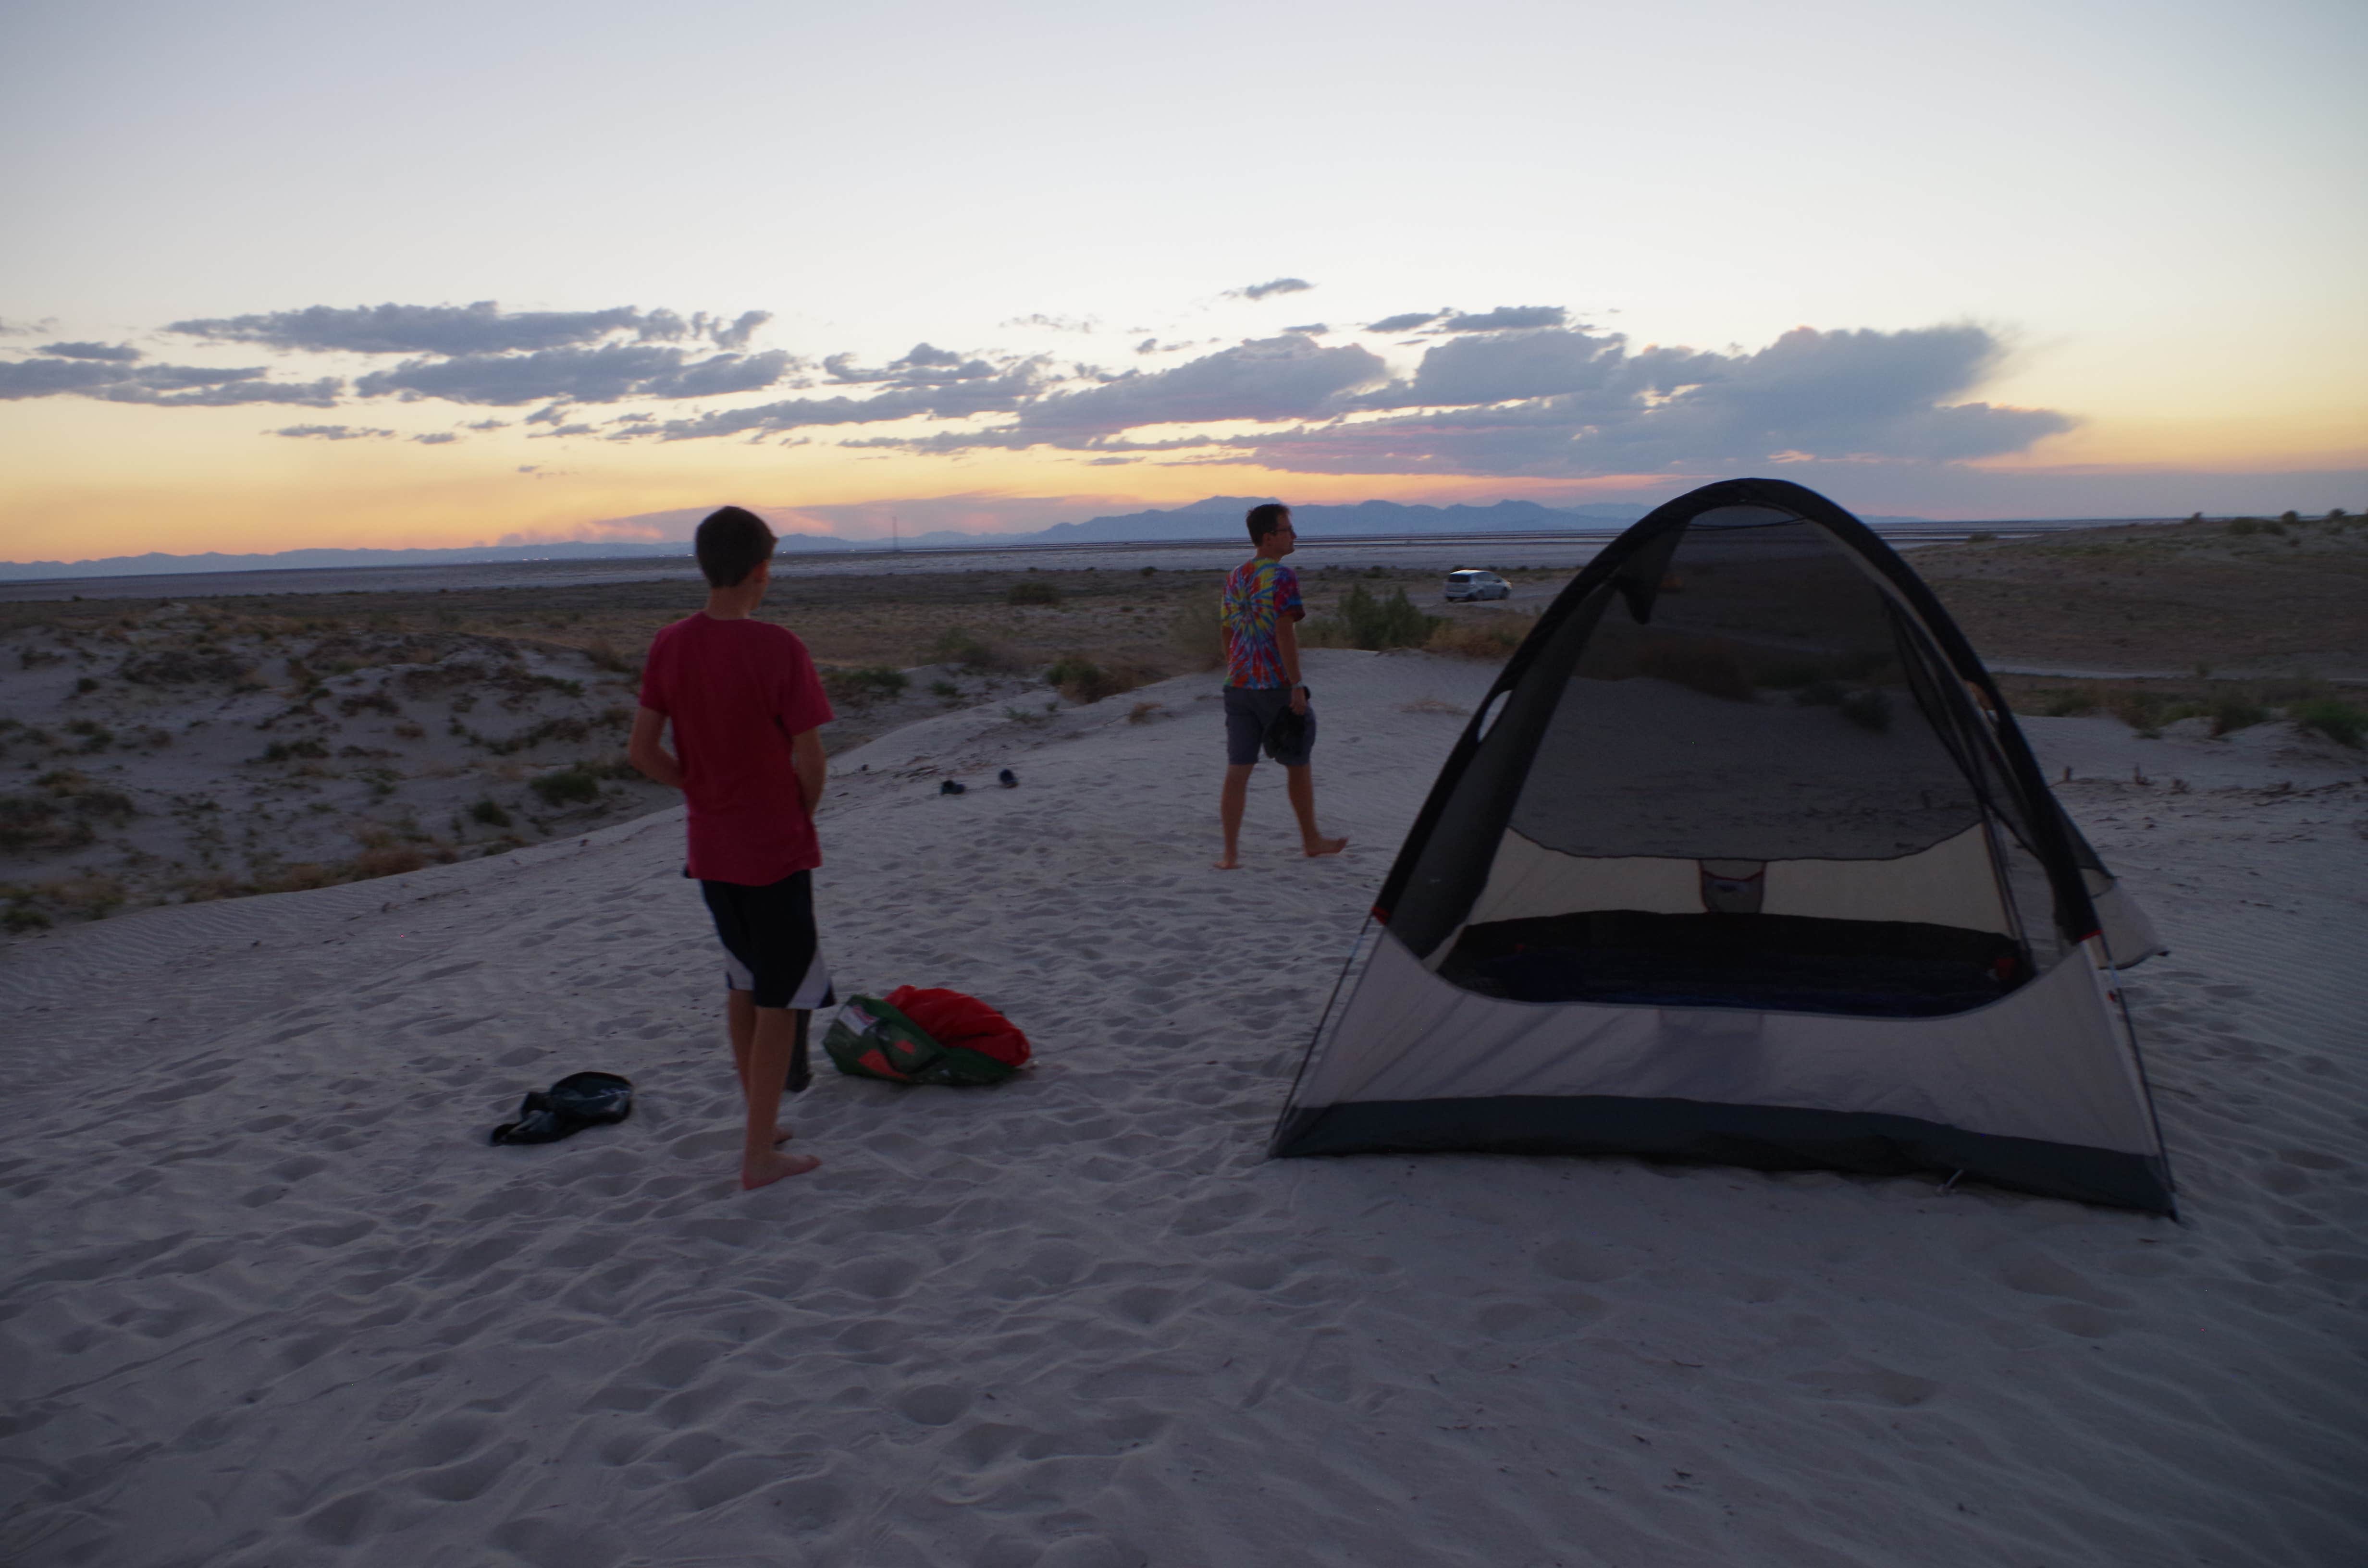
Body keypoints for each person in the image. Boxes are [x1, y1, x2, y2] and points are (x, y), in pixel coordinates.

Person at [629, 506, 834, 1189]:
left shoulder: (669, 643)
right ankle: (758, 1157)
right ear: (761, 571)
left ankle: (762, 1121)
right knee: (780, 998)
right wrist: (796, 812)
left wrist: (699, 790)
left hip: (713, 846)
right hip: (772, 848)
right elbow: (811, 758)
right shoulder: (780, 649)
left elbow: (641, 751)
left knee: (743, 981)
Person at [1214, 502, 1348, 870]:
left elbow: (1227, 629)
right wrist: (1296, 685)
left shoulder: (1235, 576)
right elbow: (1284, 631)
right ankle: (1311, 840)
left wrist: (1238, 666)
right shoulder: (1282, 576)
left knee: (1238, 769)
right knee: (1298, 762)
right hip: (1273, 685)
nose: (1294, 536)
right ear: (1269, 538)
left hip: (1238, 685)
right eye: (1288, 530)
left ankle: (1230, 854)